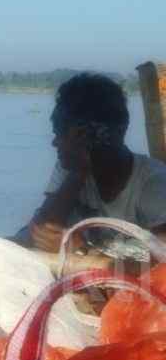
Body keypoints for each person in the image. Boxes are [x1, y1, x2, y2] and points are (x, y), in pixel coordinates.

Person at [22, 73, 166, 253]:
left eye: (60, 133)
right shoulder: (70, 167)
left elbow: (161, 267)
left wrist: (82, 251)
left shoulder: (154, 184)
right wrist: (77, 174)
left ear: (87, 137)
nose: (54, 143)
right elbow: (40, 233)